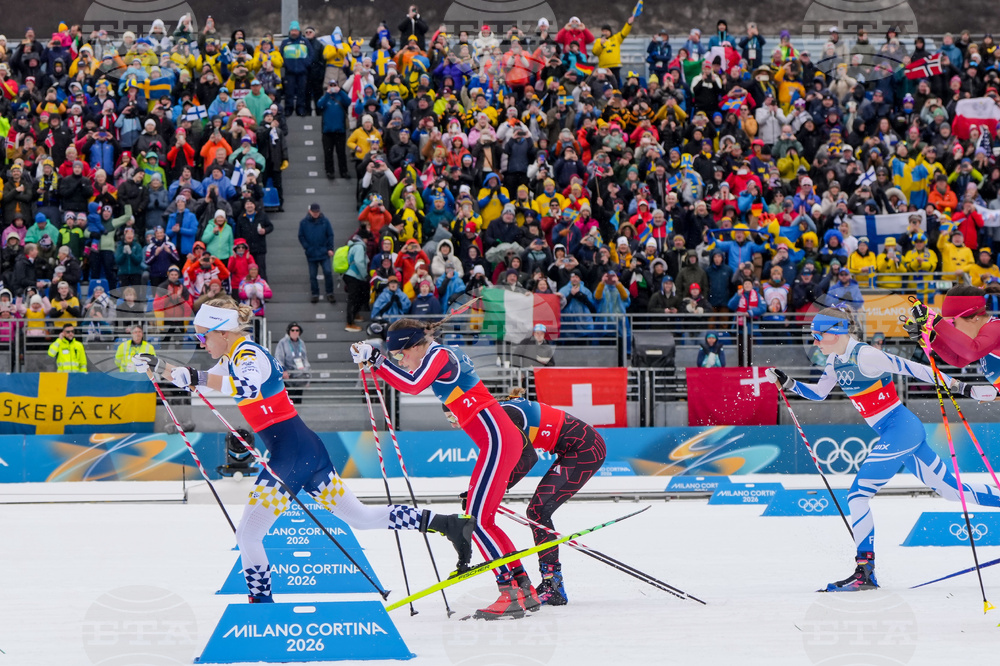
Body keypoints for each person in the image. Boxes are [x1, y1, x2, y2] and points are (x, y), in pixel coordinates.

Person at [136, 297, 475, 603]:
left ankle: (262, 604)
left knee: (249, 534)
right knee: (361, 518)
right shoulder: (232, 357)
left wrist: (194, 376)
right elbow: (209, 377)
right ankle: (447, 524)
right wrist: (160, 367)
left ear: (223, 332)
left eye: (203, 336)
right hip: (303, 450)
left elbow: (246, 385)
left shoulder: (248, 355)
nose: (201, 343)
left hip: (291, 456)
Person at [766, 307, 999, 592]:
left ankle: (865, 571)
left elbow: (916, 369)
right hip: (897, 432)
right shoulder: (834, 360)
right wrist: (787, 382)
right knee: (952, 491)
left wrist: (964, 389)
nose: (814, 342)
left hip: (900, 429)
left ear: (836, 331)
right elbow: (818, 393)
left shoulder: (865, 355)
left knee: (857, 495)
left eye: (817, 335)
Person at [351, 319, 542, 620]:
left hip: (497, 439)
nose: (403, 361)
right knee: (484, 521)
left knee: (475, 522)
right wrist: (377, 362)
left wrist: (376, 360)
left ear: (414, 345)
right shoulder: (436, 356)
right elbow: (410, 378)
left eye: (401, 354)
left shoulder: (438, 356)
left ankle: (510, 592)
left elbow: (412, 386)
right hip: (498, 440)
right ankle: (523, 586)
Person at [456, 386, 607, 606]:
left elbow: (528, 458)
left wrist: (492, 490)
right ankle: (551, 582)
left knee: (539, 510)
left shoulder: (504, 416)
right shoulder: (499, 411)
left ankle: (553, 585)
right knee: (537, 510)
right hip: (573, 448)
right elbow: (502, 464)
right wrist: (481, 490)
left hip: (585, 448)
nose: (461, 425)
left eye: (457, 419)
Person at [914, 285, 1000, 385]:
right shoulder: (981, 335)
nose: (951, 332)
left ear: (973, 317)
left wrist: (936, 322)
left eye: (951, 324)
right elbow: (958, 359)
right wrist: (932, 338)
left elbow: (972, 352)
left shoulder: (995, 328)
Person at [297, 203, 336, 304]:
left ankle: (330, 293)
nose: (316, 214)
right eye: (314, 212)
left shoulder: (325, 221)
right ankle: (315, 293)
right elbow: (301, 236)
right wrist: (307, 247)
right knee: (312, 275)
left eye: (317, 212)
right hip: (311, 253)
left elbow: (330, 235)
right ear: (310, 211)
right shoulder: (304, 223)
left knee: (328, 272)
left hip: (324, 252)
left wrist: (330, 248)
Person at [273, 322, 311, 404]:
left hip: (300, 376)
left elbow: (305, 359)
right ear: (289, 331)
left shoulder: (301, 343)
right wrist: (283, 370)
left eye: (297, 330)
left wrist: (307, 376)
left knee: (298, 400)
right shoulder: (283, 342)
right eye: (292, 330)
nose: (295, 332)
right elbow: (279, 357)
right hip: (288, 376)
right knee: (289, 400)